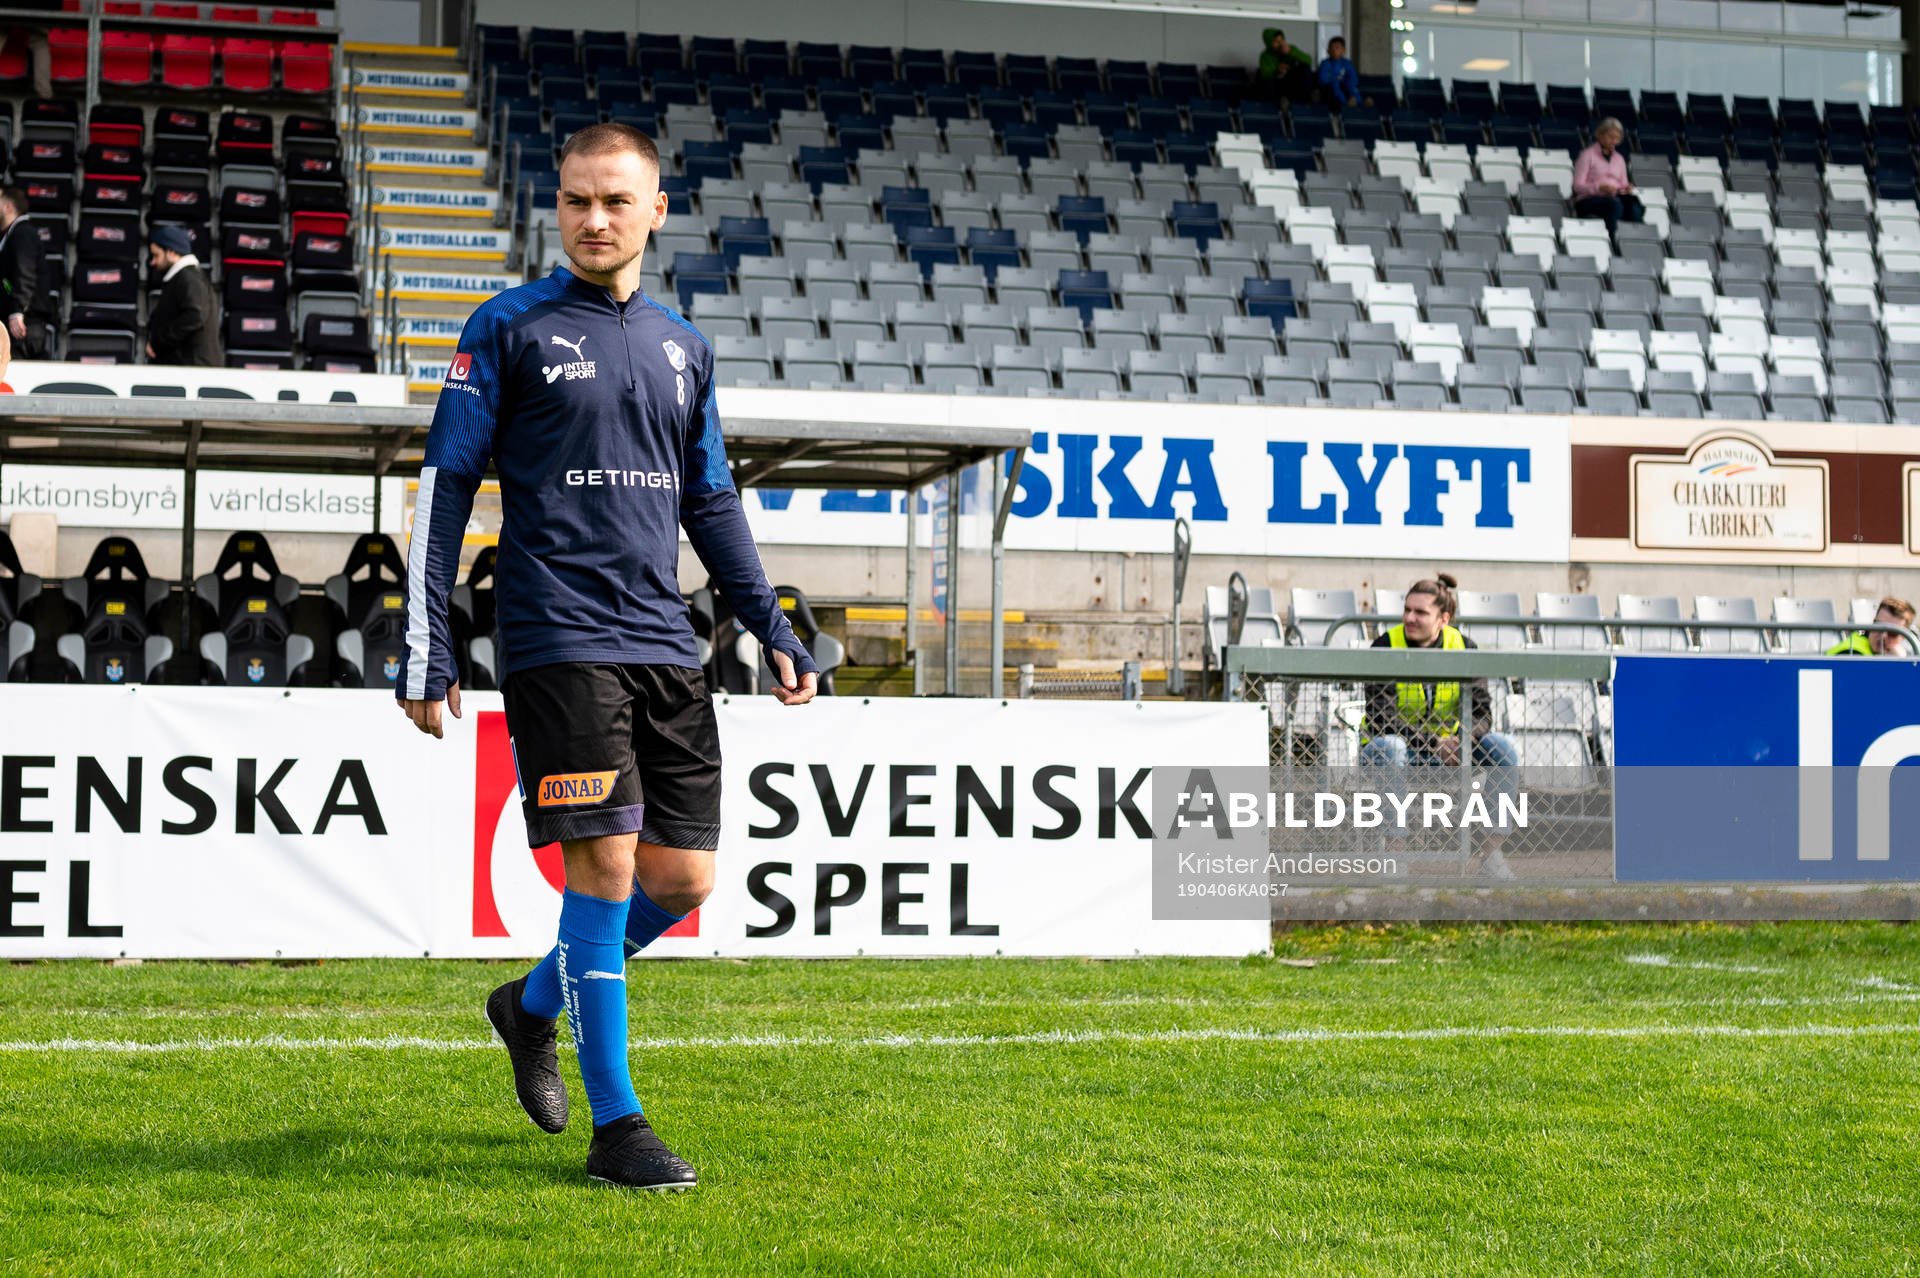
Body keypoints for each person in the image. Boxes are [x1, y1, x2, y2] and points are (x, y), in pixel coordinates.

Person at [396, 123, 818, 1192]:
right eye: (578, 200)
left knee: (683, 877)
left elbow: (710, 498)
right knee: (610, 862)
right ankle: (618, 1126)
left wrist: (768, 620)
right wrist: (429, 640)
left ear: (656, 209)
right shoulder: (508, 327)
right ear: (559, 207)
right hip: (555, 633)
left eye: (616, 201)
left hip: (663, 638)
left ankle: (528, 1005)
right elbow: (447, 485)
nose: (595, 219)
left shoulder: (686, 346)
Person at [1360, 574, 1521, 879]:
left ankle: (1491, 856)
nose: (1410, 618)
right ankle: (1395, 855)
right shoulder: (1384, 645)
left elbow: (1483, 714)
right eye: (1407, 610)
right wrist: (1435, 742)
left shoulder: (1464, 647)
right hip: (1395, 749)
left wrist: (1461, 741)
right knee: (1390, 746)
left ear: (1443, 619)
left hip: (1454, 749)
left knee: (1504, 748)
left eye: (1420, 612)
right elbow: (1382, 718)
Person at [145, 225, 222, 366]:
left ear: (171, 252)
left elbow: (195, 316)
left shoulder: (188, 278)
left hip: (191, 372)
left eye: (156, 255)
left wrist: (158, 341)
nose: (153, 262)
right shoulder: (185, 277)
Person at [1571, 118, 1645, 235]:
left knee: (1634, 204)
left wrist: (1626, 188)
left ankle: (1636, 238)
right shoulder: (1587, 155)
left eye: (1617, 138)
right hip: (1589, 200)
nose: (1613, 141)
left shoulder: (1619, 159)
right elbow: (1577, 186)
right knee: (1614, 205)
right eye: (1610, 137)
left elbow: (1623, 184)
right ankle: (1613, 241)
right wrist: (1599, 188)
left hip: (1614, 197)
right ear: (1600, 135)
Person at [0, 187, 49, 360]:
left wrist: (17, 311)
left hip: (24, 324)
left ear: (8, 207)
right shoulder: (12, 234)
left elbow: (25, 273)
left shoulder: (23, 233)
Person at [1827, 597, 1915, 656]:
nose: (1883, 635)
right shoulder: (1852, 654)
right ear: (1873, 622)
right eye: (1879, 627)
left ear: (1903, 637)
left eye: (1892, 632)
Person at [1256, 27, 1317, 103]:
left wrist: (1290, 52)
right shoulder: (1265, 55)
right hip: (1277, 83)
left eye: (1282, 40)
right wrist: (1277, 69)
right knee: (1266, 82)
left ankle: (1308, 99)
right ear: (1269, 43)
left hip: (1292, 81)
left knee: (1305, 68)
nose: (1280, 44)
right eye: (1276, 41)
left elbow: (1308, 60)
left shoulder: (1291, 49)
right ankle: (1281, 102)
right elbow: (1265, 73)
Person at [1317, 36, 1362, 109]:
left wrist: (1344, 81)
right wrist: (1335, 80)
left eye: (1337, 48)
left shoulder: (1347, 63)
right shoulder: (1325, 63)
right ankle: (1346, 103)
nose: (1334, 50)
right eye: (1332, 48)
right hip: (1329, 90)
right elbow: (1323, 80)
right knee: (1335, 84)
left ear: (1343, 50)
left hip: (1345, 88)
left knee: (1350, 85)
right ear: (1328, 50)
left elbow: (1354, 79)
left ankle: (1359, 102)